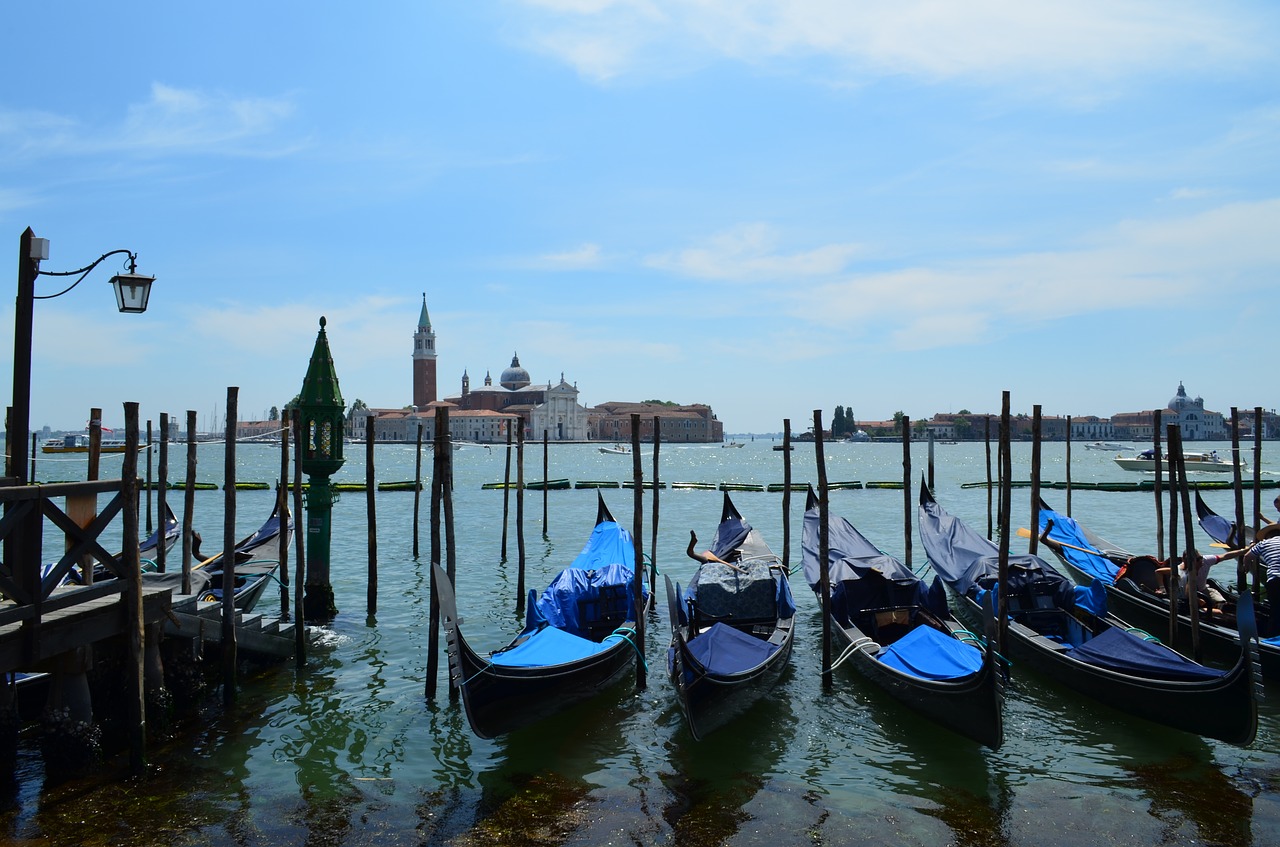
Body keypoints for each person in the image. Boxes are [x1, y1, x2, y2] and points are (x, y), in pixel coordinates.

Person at [1244, 523, 1280, 636]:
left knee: (1276, 611)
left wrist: (1246, 568)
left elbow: (1247, 556)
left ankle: (1272, 636)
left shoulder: (1264, 543)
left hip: (1275, 579)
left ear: (1267, 536)